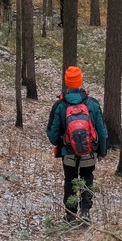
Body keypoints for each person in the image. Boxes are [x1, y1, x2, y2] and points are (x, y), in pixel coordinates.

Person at [45, 66, 109, 225]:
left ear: (67, 83)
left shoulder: (60, 105)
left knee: (70, 180)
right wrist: (102, 151)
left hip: (69, 152)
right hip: (90, 150)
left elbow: (52, 135)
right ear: (80, 82)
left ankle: (70, 215)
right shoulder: (92, 103)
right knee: (87, 178)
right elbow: (102, 131)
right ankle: (86, 211)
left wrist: (61, 143)